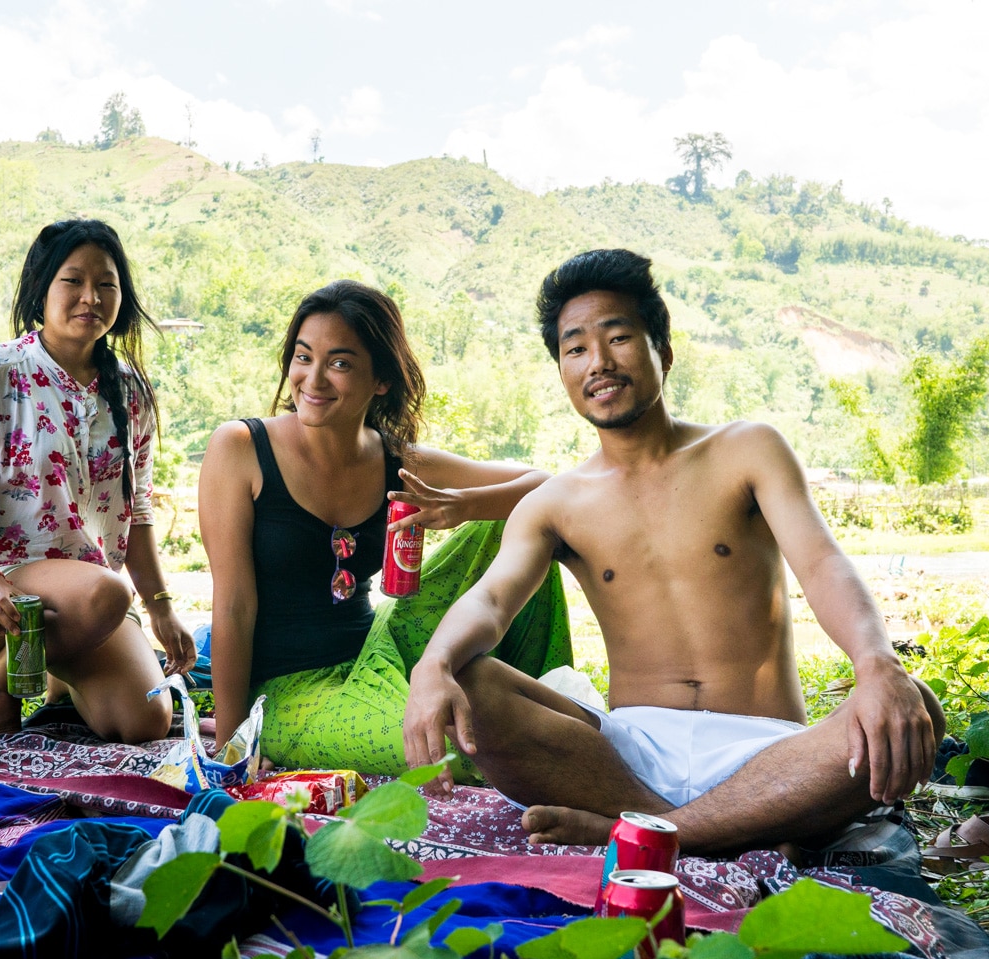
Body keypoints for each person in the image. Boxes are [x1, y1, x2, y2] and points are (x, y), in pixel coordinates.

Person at [403, 248, 943, 852]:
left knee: (913, 701)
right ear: (562, 373)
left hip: (767, 751)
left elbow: (821, 564)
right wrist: (434, 666)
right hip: (626, 756)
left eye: (618, 337)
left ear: (663, 348)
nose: (598, 362)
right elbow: (492, 600)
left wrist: (875, 665)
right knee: (469, 682)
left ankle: (649, 833)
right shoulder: (555, 503)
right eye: (575, 348)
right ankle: (721, 826)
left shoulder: (748, 450)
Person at [198, 280, 572, 777]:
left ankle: (547, 698)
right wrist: (232, 746)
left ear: (381, 381)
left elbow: (544, 485)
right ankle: (544, 734)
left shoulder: (396, 460)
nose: (313, 379)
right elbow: (232, 606)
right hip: (289, 690)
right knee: (451, 751)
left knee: (518, 527)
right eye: (303, 357)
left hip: (382, 649)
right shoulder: (241, 448)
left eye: (340, 363)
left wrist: (462, 506)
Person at [0, 219, 194, 741]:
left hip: (90, 601)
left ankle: (57, 672)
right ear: (42, 289)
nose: (90, 297)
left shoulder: (130, 390)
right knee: (106, 592)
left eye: (106, 284)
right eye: (72, 281)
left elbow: (136, 509)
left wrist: (162, 608)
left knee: (144, 721)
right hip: (1, 588)